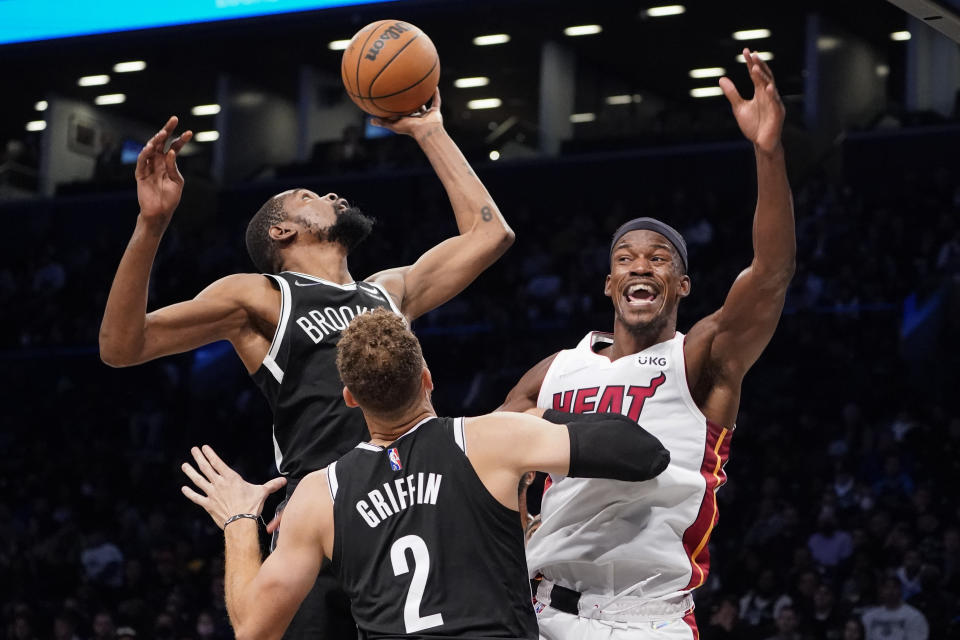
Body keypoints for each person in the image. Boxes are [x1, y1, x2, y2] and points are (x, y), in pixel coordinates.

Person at [99, 90, 515, 639]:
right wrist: (151, 225)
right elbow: (122, 346)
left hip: (410, 504)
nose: (332, 193)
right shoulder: (261, 296)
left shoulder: (389, 291)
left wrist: (429, 129)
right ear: (281, 231)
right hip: (323, 521)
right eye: (310, 194)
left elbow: (491, 234)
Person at [498, 50, 796, 639]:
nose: (642, 265)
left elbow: (771, 272)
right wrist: (517, 517)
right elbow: (485, 459)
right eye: (626, 258)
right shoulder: (556, 370)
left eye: (659, 259)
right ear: (609, 283)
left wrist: (768, 152)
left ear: (681, 285)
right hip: (543, 614)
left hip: (649, 619)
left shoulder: (701, 358)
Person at [180, 309, 671, 639]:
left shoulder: (317, 496)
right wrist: (543, 422)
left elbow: (252, 628)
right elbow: (643, 453)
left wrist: (240, 519)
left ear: (351, 398)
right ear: (427, 377)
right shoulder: (490, 440)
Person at [860, 577, 929, 640]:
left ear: (901, 591)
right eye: (887, 587)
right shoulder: (869, 616)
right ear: (881, 591)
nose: (891, 591)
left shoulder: (915, 616)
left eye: (894, 587)